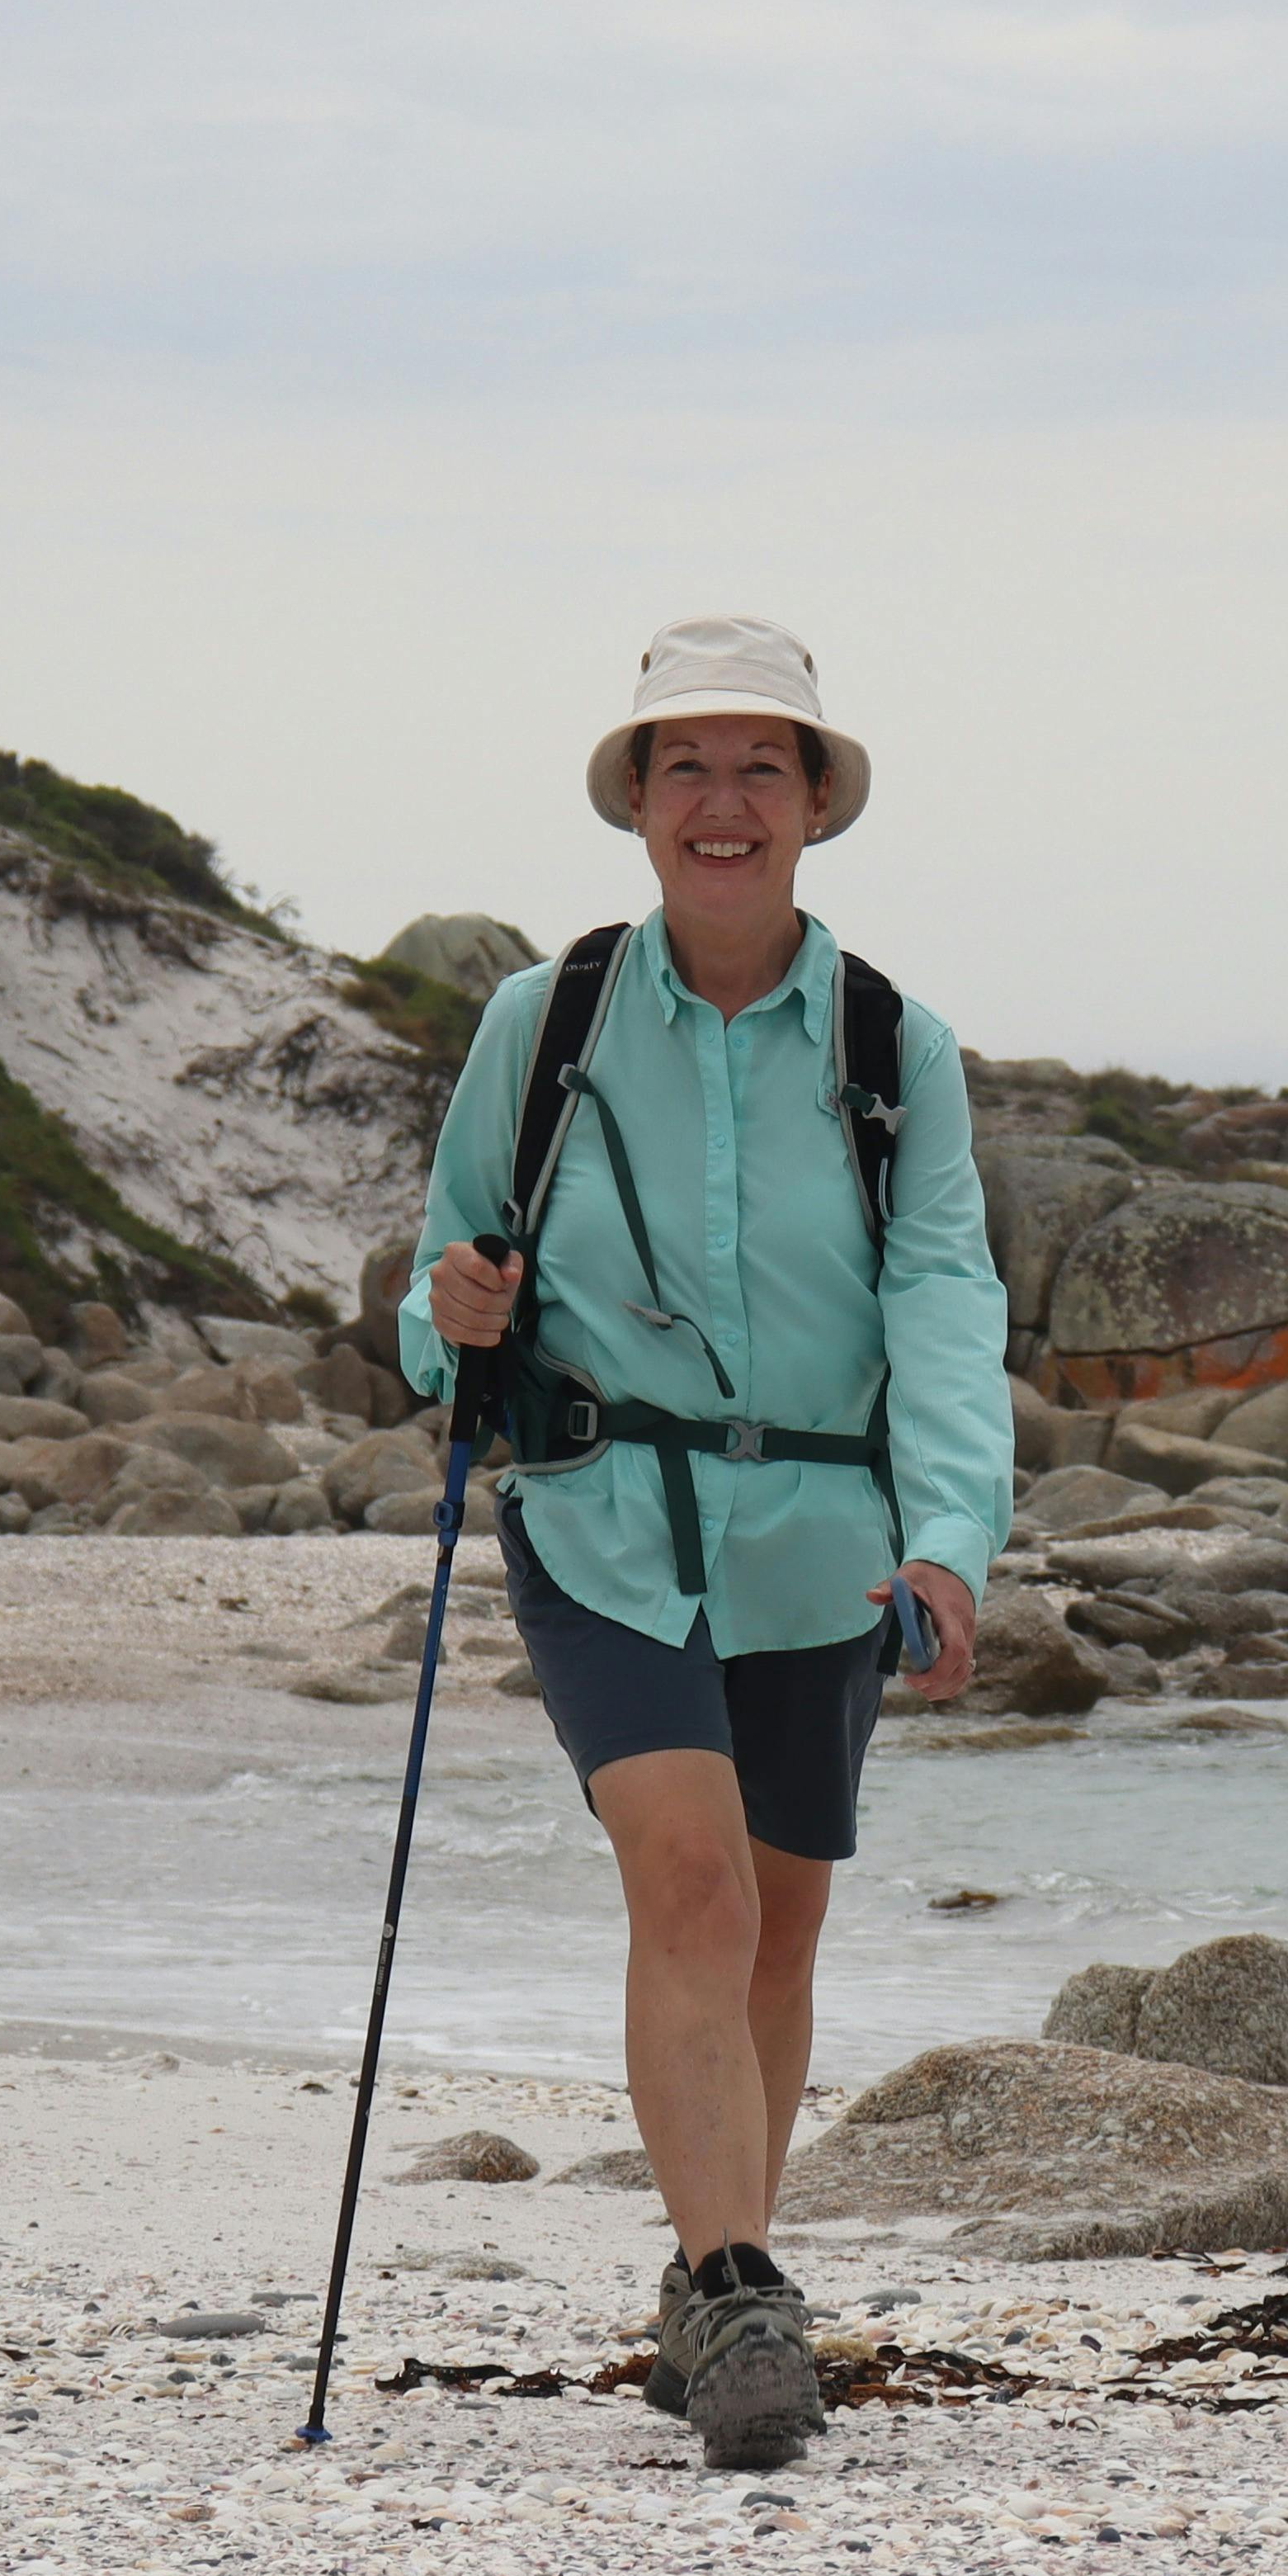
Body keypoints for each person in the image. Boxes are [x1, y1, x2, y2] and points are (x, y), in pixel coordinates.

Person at [398, 616, 1010, 2471]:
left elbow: (947, 1295)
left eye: (762, 767)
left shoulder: (898, 1045)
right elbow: (441, 1294)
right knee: (691, 1878)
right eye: (687, 768)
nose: (723, 803)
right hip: (600, 1515)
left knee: (778, 1922)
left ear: (816, 803)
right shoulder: (547, 1018)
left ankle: (704, 2292)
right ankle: (739, 2280)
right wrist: (460, 1316)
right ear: (640, 806)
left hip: (824, 1541)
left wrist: (954, 1534)